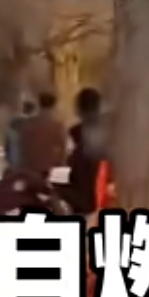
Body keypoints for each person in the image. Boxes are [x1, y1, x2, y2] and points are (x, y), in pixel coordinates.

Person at [66, 85, 105, 217]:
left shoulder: (75, 133)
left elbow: (69, 163)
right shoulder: (111, 132)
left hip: (85, 200)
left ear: (78, 110)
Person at [16, 87, 67, 180]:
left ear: (39, 104)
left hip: (31, 169)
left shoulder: (28, 123)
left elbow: (22, 146)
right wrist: (60, 165)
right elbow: (62, 148)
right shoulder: (57, 125)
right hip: (50, 169)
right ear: (54, 105)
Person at [4, 93, 36, 171]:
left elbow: (7, 140)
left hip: (15, 157)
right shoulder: (34, 122)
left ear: (23, 109)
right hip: (29, 159)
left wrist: (7, 155)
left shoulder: (14, 121)